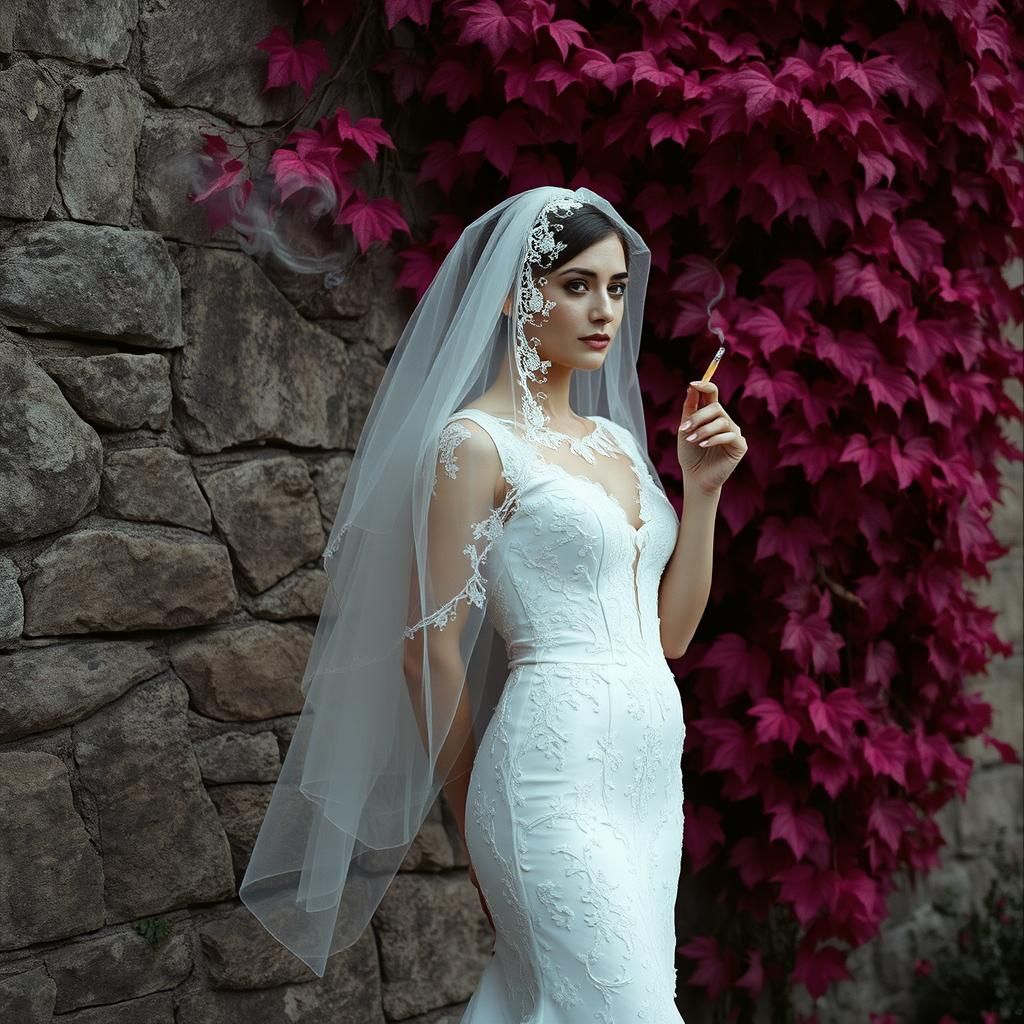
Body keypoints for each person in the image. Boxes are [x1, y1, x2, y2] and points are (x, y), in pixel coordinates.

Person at [238, 186, 746, 1020]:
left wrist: (704, 491)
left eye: (616, 288)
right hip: (545, 781)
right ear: (515, 291)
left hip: (652, 787)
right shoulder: (474, 445)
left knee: (541, 1003)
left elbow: (673, 635)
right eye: (577, 284)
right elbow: (427, 650)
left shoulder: (616, 443)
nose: (604, 310)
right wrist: (479, 809)